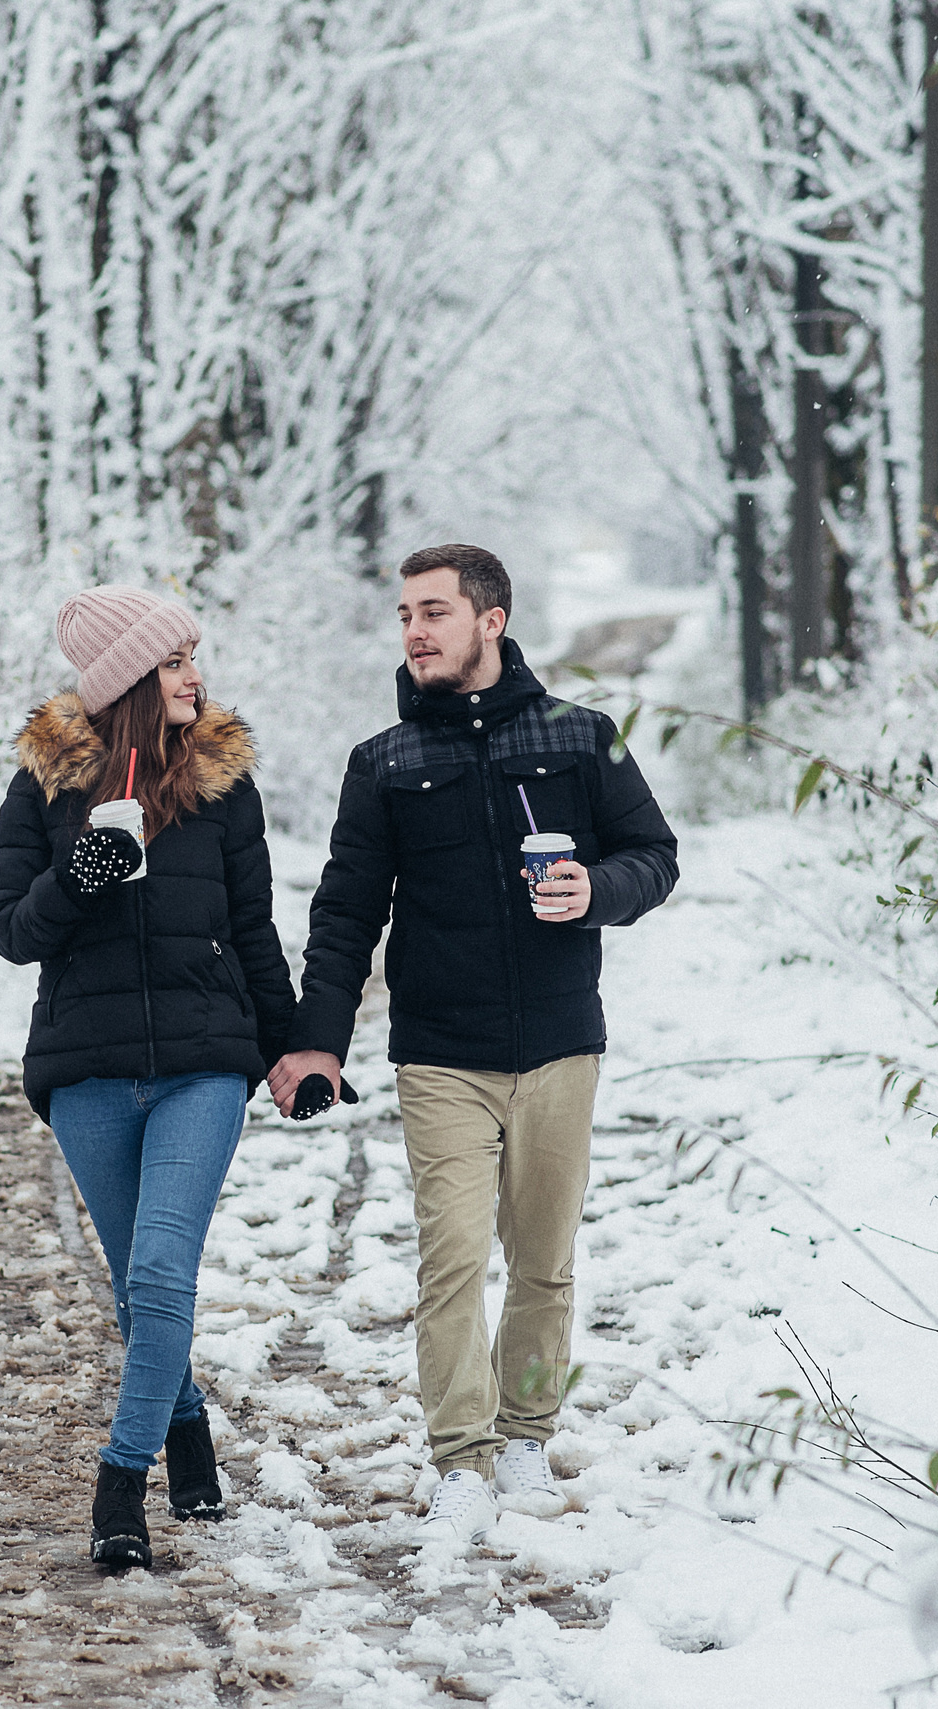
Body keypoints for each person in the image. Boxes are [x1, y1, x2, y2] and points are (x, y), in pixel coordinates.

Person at [270, 543, 679, 1545]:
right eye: (406, 613)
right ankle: (461, 1453)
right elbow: (344, 914)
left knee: (541, 1260)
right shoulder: (384, 763)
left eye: (435, 612)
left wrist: (599, 888)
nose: (414, 630)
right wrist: (318, 1040)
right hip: (439, 1053)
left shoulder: (583, 737)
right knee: (450, 1258)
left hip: (558, 1043)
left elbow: (654, 855)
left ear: (491, 620)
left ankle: (527, 1433)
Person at [0, 585, 300, 1570]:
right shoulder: (42, 788)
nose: (195, 676)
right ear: (128, 678)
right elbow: (9, 931)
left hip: (204, 1066)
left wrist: (292, 1046)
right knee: (138, 1292)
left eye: (192, 658)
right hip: (86, 1069)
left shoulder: (221, 785)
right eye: (174, 662)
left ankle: (121, 1478)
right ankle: (188, 1421)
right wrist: (72, 876)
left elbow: (253, 930)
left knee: (162, 1270)